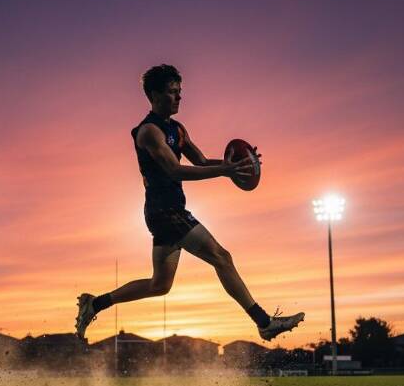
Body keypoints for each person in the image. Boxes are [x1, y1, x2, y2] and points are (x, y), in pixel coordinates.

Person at [75, 64, 304, 342]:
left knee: (160, 285)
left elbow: (202, 162)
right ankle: (264, 322)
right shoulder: (149, 132)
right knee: (222, 257)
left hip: (169, 212)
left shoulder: (178, 129)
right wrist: (224, 172)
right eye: (172, 92)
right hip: (165, 212)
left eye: (180, 91)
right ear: (154, 95)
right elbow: (175, 170)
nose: (179, 97)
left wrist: (237, 164)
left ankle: (95, 303)